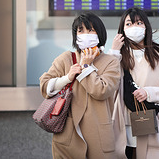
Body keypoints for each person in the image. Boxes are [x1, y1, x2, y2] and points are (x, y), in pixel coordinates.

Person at [39, 12, 121, 159]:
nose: (85, 34)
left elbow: (102, 91)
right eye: (80, 30)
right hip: (67, 138)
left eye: (91, 30)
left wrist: (86, 67)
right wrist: (66, 78)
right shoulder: (66, 58)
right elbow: (45, 86)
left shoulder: (111, 62)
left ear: (100, 34)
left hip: (98, 137)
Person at [109, 7, 159, 159]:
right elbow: (107, 85)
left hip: (147, 121)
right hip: (122, 121)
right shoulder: (117, 56)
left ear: (146, 27)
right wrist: (114, 52)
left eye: (139, 23)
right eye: (128, 24)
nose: (134, 28)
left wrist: (149, 93)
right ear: (122, 29)